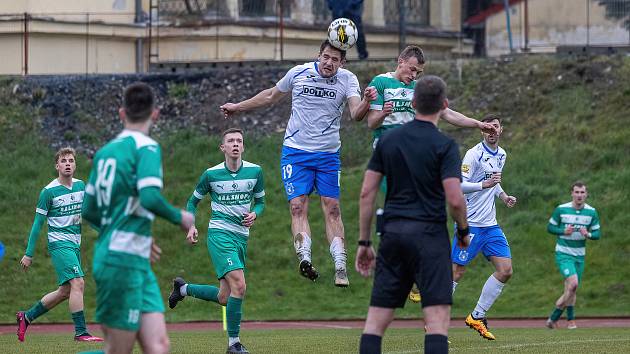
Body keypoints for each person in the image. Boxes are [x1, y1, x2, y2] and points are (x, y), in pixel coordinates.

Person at [220, 40, 376, 287]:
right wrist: (238, 107)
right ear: (319, 55)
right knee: (297, 206)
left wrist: (367, 100)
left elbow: (357, 115)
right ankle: (305, 258)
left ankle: (340, 265)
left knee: (332, 207)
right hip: (296, 152)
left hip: (327, 154)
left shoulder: (348, 79)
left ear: (342, 63)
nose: (329, 63)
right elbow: (271, 95)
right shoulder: (299, 73)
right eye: (326, 57)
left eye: (335, 60)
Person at [366, 45, 498, 304]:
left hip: (415, 158)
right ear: (400, 61)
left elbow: (447, 114)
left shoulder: (419, 90)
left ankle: (413, 273)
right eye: (412, 69)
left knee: (421, 213)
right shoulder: (380, 82)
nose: (414, 75)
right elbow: (371, 122)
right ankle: (399, 268)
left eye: (419, 72)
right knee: (400, 213)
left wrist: (477, 123)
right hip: (390, 158)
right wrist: (383, 112)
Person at [356, 75, 470, 354]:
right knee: (436, 320)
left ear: (414, 102)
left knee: (376, 322)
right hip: (430, 237)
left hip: (393, 235)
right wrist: (464, 231)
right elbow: (455, 199)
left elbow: (367, 193)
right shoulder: (445, 146)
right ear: (443, 105)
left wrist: (364, 242)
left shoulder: (389, 141)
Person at [81, 82, 195, 354]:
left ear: (122, 113)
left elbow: (88, 210)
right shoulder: (147, 148)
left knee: (158, 346)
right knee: (118, 350)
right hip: (121, 263)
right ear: (155, 113)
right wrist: (181, 217)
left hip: (133, 261)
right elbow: (150, 198)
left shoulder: (106, 151)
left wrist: (127, 232)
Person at [168, 128, 265, 354]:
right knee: (239, 286)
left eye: (239, 141)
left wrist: (256, 213)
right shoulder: (211, 174)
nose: (235, 144)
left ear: (243, 146)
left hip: (241, 237)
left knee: (225, 297)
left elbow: (260, 202)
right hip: (219, 234)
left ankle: (183, 289)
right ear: (223, 147)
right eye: (230, 141)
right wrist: (191, 225)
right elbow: (192, 202)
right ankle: (234, 344)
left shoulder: (255, 171)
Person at [16, 148, 103, 343]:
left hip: (74, 244)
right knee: (78, 283)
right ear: (57, 166)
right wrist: (29, 254)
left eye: (71, 160)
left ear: (75, 165)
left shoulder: (81, 187)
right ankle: (81, 332)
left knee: (65, 291)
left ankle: (26, 317)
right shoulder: (48, 192)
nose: (68, 164)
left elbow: (88, 216)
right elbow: (38, 224)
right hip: (59, 243)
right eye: (63, 161)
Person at [450, 115, 517, 341]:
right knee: (456, 272)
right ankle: (434, 322)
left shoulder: (502, 154)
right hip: (469, 224)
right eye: (487, 127)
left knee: (505, 270)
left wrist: (503, 195)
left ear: (501, 130)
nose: (492, 130)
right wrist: (483, 185)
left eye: (495, 126)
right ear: (482, 132)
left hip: (491, 225)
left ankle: (477, 316)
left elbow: (494, 182)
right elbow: (459, 185)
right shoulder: (473, 154)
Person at [545, 181, 601, 330]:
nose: (579, 195)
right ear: (572, 193)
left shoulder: (591, 212)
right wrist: (563, 231)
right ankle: (567, 317)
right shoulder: (561, 209)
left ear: (586, 194)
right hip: (563, 253)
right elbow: (550, 227)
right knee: (574, 283)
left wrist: (587, 234)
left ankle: (556, 319)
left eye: (582, 192)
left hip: (579, 256)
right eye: (576, 192)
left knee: (572, 288)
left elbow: (597, 234)